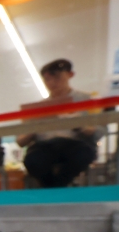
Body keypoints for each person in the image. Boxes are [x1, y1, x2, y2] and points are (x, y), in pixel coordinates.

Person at [17, 59, 103, 188]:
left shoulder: (88, 100)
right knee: (33, 160)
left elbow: (99, 131)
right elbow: (20, 140)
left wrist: (78, 125)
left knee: (83, 154)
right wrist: (33, 128)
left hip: (76, 144)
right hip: (44, 147)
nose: (51, 83)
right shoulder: (38, 107)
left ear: (70, 75)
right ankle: (58, 187)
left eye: (57, 77)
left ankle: (53, 189)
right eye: (47, 80)